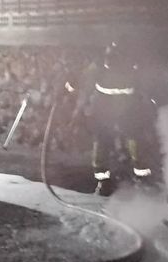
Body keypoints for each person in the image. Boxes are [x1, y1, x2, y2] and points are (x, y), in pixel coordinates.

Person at [66, 42, 155, 195]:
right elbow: (85, 82)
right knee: (102, 143)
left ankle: (142, 178)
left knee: (134, 142)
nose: (110, 60)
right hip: (104, 111)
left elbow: (145, 86)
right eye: (109, 56)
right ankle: (104, 181)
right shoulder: (99, 66)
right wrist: (72, 88)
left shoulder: (133, 66)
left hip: (128, 110)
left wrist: (150, 102)